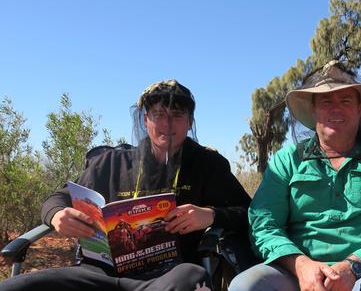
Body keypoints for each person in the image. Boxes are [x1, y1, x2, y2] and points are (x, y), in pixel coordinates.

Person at [0, 79, 251, 291]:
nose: (168, 124)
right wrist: (57, 215)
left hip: (167, 274)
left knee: (191, 277)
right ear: (145, 120)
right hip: (97, 274)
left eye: (177, 115)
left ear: (189, 121)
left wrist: (210, 215)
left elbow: (250, 213)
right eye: (159, 115)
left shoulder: (208, 166)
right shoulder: (111, 162)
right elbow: (56, 199)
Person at [229, 61, 361, 291]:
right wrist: (300, 265)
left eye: (345, 101)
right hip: (297, 276)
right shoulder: (286, 160)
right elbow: (264, 225)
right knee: (245, 286)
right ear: (313, 110)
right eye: (326, 102)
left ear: (359, 109)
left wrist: (354, 266)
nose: (335, 109)